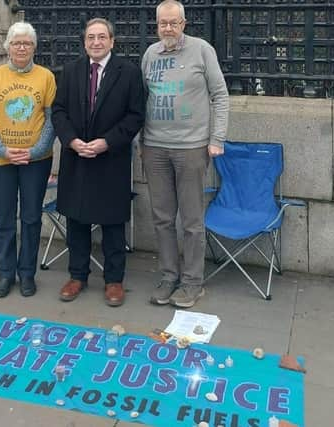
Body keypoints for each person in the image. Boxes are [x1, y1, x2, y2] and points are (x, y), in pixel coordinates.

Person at [141, 0, 229, 308]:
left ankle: (193, 282)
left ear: (184, 24)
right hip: (154, 148)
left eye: (173, 23)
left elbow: (220, 94)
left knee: (192, 220)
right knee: (162, 218)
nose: (168, 28)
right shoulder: (150, 54)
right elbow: (142, 97)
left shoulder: (202, 50)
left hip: (191, 148)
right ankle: (169, 277)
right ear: (157, 26)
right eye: (163, 23)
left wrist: (216, 138)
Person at [52, 18, 145, 307]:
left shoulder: (128, 73)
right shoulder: (70, 71)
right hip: (77, 157)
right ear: (85, 42)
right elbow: (58, 111)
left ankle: (114, 281)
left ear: (112, 41)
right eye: (91, 37)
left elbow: (135, 116)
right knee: (76, 220)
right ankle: (77, 275)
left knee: (112, 223)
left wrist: (107, 142)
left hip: (110, 159)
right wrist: (71, 140)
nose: (96, 42)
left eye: (101, 37)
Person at [0, 22, 56, 298]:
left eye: (26, 43)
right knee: (4, 219)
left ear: (34, 47)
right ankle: (6, 273)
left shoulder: (45, 77)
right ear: (8, 47)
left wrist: (34, 151)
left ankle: (27, 274)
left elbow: (50, 118)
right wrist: (1, 150)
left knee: (32, 218)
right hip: (0, 162)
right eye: (16, 43)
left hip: (35, 161)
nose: (21, 47)